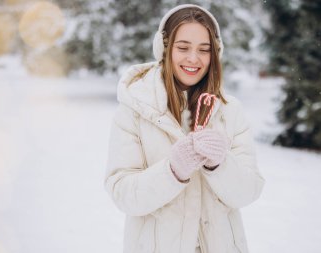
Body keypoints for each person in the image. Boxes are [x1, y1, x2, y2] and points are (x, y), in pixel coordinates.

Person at [105, 4, 265, 253]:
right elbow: (123, 193)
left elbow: (248, 192)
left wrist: (220, 165)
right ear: (165, 49)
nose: (194, 58)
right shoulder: (135, 111)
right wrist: (172, 171)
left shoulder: (229, 111)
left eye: (204, 50)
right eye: (183, 48)